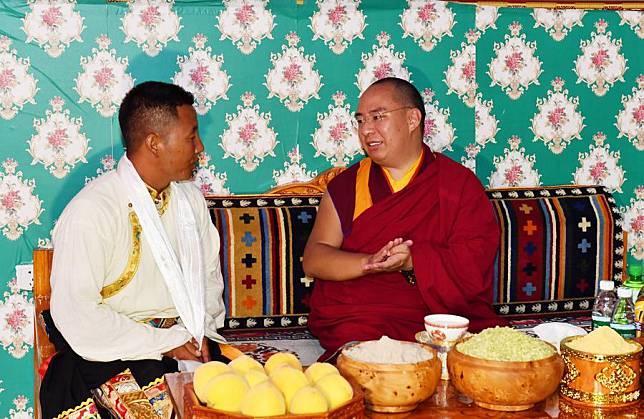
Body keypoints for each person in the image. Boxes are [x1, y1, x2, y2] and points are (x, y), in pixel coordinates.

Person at [40, 81, 229, 419]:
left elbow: (209, 281)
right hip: (111, 356)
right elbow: (77, 314)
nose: (200, 147)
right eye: (191, 137)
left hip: (188, 343)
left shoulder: (190, 201)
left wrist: (198, 335)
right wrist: (161, 343)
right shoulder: (92, 211)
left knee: (256, 399)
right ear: (154, 143)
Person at [303, 77, 503, 360]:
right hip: (365, 319)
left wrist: (413, 261)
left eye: (378, 117)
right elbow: (314, 258)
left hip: (436, 319)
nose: (366, 130)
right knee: (365, 354)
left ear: (412, 119)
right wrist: (368, 263)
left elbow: (473, 263)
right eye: (360, 120)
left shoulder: (458, 185)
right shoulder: (347, 186)